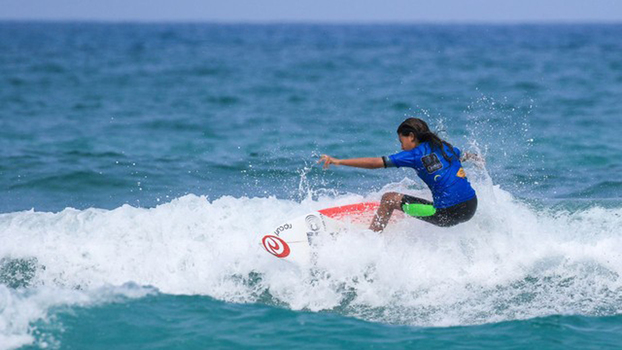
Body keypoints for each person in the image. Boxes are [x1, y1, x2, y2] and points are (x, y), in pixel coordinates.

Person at [318, 118, 480, 232]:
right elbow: (464, 155)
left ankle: (371, 239)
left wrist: (339, 162)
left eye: (401, 142)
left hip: (447, 214)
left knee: (389, 199)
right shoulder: (444, 147)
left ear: (411, 137)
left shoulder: (415, 154)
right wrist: (477, 158)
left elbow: (375, 163)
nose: (402, 147)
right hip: (471, 206)